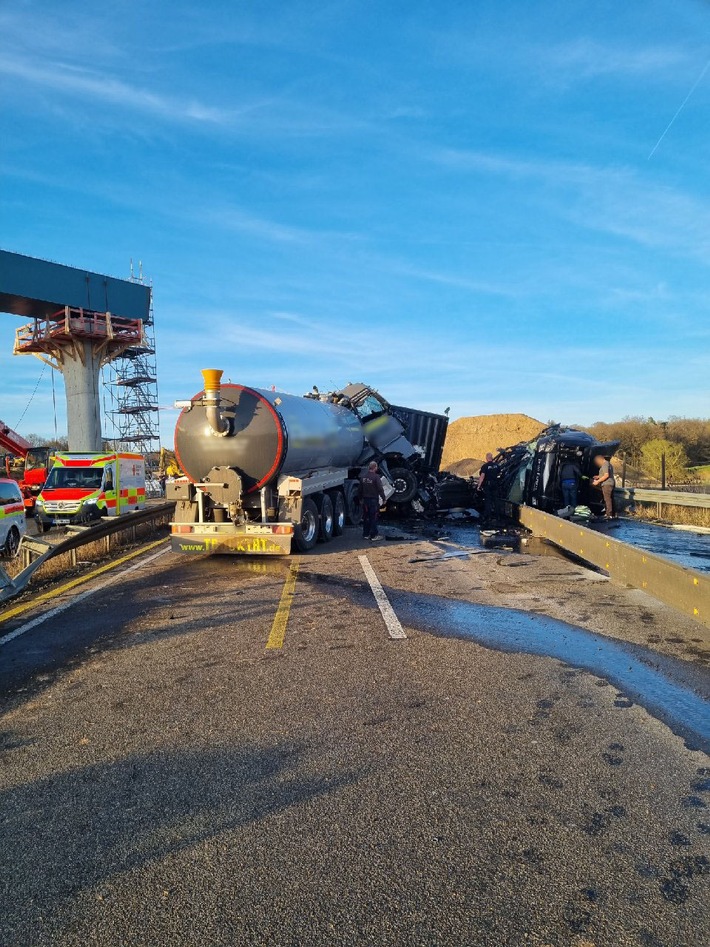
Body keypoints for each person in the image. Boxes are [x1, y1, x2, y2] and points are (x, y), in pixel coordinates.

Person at [359, 461, 387, 541]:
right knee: (373, 517)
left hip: (365, 501)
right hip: (373, 501)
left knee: (366, 517)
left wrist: (360, 499)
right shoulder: (376, 477)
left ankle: (366, 534)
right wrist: (384, 498)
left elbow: (360, 490)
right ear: (375, 467)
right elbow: (380, 489)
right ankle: (374, 535)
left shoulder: (363, 477)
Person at [477, 452, 502, 524]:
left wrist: (479, 486)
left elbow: (482, 477)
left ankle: (488, 517)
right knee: (496, 500)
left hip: (488, 485)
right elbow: (500, 474)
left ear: (487, 458)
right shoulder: (497, 466)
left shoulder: (485, 466)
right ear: (492, 458)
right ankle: (498, 516)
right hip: (495, 485)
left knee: (488, 501)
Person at [592, 454, 616, 519]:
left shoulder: (605, 464)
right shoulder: (608, 464)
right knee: (610, 499)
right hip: (610, 483)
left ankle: (609, 514)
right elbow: (606, 474)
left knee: (607, 499)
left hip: (607, 484)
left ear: (600, 459)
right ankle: (612, 514)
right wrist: (598, 476)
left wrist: (597, 481)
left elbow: (606, 475)